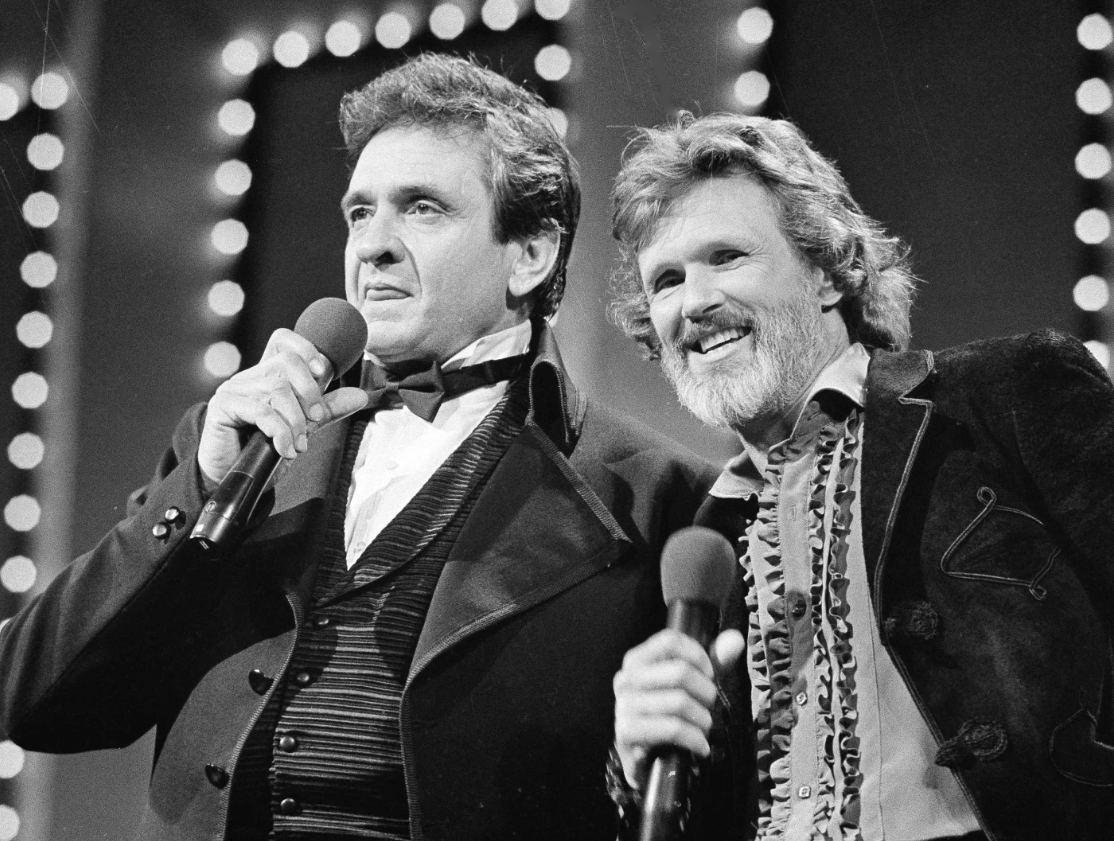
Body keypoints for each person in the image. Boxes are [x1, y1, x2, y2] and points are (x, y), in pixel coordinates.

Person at [0, 54, 716, 841]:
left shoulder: (653, 496)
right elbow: (33, 698)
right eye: (359, 212)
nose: (372, 245)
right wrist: (197, 493)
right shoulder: (244, 450)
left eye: (421, 209)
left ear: (530, 254)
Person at [606, 112, 1114, 841]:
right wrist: (635, 764)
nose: (694, 302)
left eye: (726, 257)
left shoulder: (1001, 395)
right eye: (666, 280)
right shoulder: (700, 540)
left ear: (824, 271)